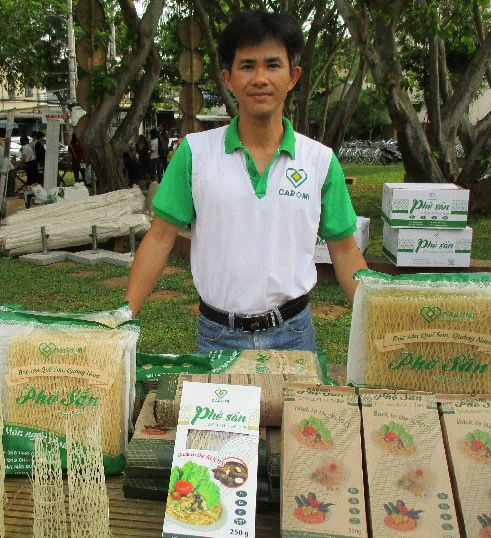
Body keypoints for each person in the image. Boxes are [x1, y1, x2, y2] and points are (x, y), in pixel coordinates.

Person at [125, 10, 367, 353]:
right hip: (217, 337)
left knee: (293, 411)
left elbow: (344, 250)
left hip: (294, 337)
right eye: (247, 66)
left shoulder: (320, 161)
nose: (260, 78)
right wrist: (124, 315)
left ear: (293, 76)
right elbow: (161, 238)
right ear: (229, 77)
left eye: (272, 65)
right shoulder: (196, 153)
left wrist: (375, 320)